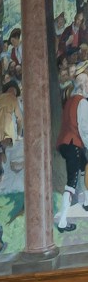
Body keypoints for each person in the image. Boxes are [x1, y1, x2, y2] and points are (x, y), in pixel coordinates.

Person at [59, 70, 88, 233]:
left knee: (85, 166)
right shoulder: (82, 102)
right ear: (83, 85)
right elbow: (84, 129)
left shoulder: (70, 101)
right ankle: (62, 221)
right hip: (74, 144)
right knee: (71, 183)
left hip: (65, 144)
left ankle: (87, 203)